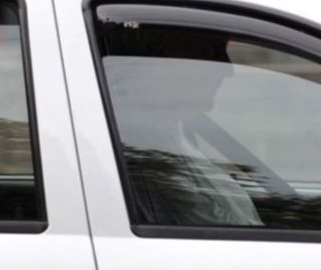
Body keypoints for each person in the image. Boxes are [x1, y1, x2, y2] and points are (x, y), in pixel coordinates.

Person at [100, 26, 265, 227]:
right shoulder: (137, 142)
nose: (227, 69)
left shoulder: (169, 131)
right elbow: (213, 231)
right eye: (212, 50)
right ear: (159, 62)